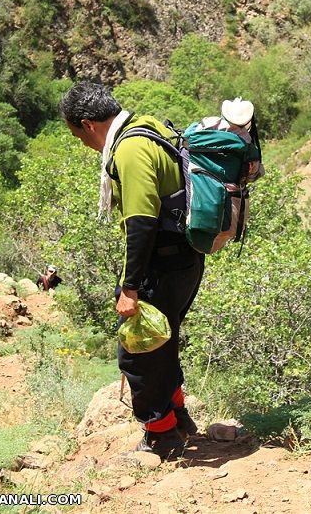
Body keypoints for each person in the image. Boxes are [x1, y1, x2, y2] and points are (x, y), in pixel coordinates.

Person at [59, 81, 204, 460]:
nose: (83, 144)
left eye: (78, 136)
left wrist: (130, 287)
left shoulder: (130, 148)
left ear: (89, 124)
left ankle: (161, 436)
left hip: (162, 263)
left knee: (138, 352)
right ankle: (179, 418)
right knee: (162, 341)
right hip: (183, 259)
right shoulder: (148, 126)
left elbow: (141, 222)